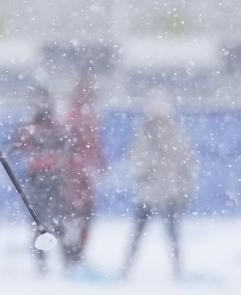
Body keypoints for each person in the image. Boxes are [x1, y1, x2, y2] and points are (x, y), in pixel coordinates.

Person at [120, 92, 197, 279]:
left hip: (168, 191)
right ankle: (127, 268)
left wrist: (185, 187)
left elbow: (186, 163)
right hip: (151, 192)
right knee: (143, 232)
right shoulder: (145, 135)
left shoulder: (175, 135)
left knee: (170, 233)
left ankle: (176, 269)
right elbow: (137, 162)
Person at [14, 85, 70, 274]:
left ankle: (65, 260)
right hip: (37, 176)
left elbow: (65, 145)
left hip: (54, 176)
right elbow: (19, 147)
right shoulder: (31, 126)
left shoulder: (55, 125)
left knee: (59, 219)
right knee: (38, 221)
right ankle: (41, 262)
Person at [62, 69, 106, 266]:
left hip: (86, 173)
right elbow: (70, 143)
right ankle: (71, 255)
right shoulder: (72, 115)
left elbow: (95, 144)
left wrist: (99, 163)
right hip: (74, 174)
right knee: (73, 216)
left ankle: (77, 254)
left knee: (84, 217)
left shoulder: (91, 114)